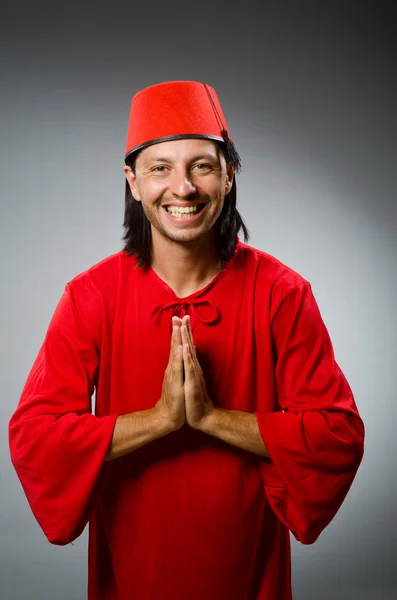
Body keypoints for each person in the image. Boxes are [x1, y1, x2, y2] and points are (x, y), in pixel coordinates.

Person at [8, 80, 365, 600]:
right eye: (160, 167)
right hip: (132, 567)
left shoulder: (282, 294)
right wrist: (159, 420)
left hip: (248, 569)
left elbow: (337, 435)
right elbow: (34, 438)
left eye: (202, 165)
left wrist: (213, 419)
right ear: (132, 181)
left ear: (229, 176)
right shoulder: (90, 297)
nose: (183, 187)